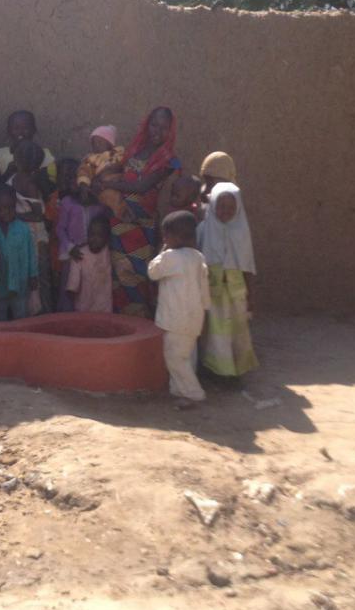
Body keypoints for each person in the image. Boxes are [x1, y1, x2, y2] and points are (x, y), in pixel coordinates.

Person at [97, 107, 182, 318]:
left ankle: (139, 326)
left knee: (138, 277)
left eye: (164, 128)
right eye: (154, 125)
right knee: (118, 275)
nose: (157, 131)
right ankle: (122, 326)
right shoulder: (134, 151)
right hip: (119, 222)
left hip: (141, 227)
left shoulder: (169, 161)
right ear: (147, 125)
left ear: (170, 131)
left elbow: (143, 187)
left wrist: (108, 185)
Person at [199, 180, 259, 378]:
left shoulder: (242, 232)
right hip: (212, 292)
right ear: (213, 205)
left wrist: (250, 295)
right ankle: (218, 372)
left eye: (231, 207)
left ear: (238, 208)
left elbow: (247, 266)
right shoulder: (204, 229)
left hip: (236, 292)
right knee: (216, 334)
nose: (226, 211)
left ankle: (235, 370)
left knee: (237, 332)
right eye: (221, 206)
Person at [148, 211, 210, 402]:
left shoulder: (170, 257)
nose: (164, 239)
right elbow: (204, 288)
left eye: (165, 236)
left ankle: (194, 393)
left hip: (175, 320)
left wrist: (162, 251)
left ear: (173, 237)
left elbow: (152, 272)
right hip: (194, 318)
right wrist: (206, 312)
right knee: (185, 356)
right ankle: (178, 389)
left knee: (174, 358)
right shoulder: (198, 257)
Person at [9, 139, 52, 313]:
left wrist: (15, 216)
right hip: (22, 232)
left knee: (39, 275)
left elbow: (38, 215)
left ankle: (44, 311)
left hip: (34, 233)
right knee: (28, 274)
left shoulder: (29, 184)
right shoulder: (15, 178)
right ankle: (30, 311)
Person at [53, 158, 102, 312]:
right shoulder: (67, 202)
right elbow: (60, 229)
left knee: (88, 290)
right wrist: (70, 247)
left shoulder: (97, 204)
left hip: (92, 254)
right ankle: (67, 319)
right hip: (72, 254)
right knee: (68, 289)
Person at [0, 187, 38, 321]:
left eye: (10, 207)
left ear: (15, 206)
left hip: (20, 281)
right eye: (1, 208)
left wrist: (33, 275)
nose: (5, 212)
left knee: (21, 314)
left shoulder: (23, 228)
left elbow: (31, 253)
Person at [0, 110, 56, 188]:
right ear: (9, 131)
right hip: (6, 195)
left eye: (26, 128)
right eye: (16, 128)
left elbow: (49, 186)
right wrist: (8, 172)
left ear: (33, 130)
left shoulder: (44, 154)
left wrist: (33, 170)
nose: (21, 132)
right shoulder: (0, 153)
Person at [66, 215, 114, 314]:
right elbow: (72, 287)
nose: (94, 239)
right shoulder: (79, 255)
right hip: (83, 310)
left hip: (105, 310)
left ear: (106, 238)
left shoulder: (110, 253)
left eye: (99, 235)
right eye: (91, 234)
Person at [77, 125, 125, 217]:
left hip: (116, 182)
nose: (97, 145)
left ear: (110, 144)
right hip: (100, 186)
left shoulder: (118, 154)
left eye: (100, 141)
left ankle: (120, 214)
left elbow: (124, 164)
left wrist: (115, 168)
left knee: (118, 198)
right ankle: (115, 215)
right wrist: (83, 184)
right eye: (94, 142)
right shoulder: (91, 158)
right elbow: (84, 170)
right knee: (106, 197)